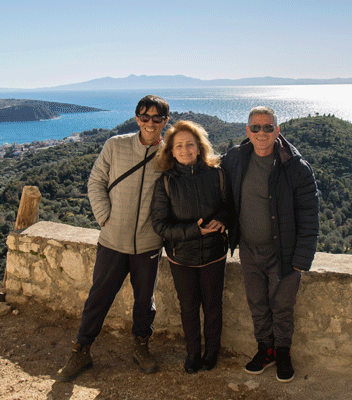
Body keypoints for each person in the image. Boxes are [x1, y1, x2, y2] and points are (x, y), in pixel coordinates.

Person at [56, 95, 170, 381]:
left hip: (148, 243)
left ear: (165, 121)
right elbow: (96, 182)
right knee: (99, 298)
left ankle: (141, 346)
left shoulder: (169, 154)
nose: (150, 123)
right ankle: (81, 350)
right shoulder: (115, 145)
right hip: (112, 240)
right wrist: (104, 217)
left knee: (144, 302)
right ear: (137, 118)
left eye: (156, 118)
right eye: (144, 117)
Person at [221, 106, 319, 383]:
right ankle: (266, 350)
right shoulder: (236, 158)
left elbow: (309, 215)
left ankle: (283, 353)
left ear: (277, 131)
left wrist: (301, 260)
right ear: (247, 131)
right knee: (258, 304)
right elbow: (216, 184)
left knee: (282, 308)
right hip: (249, 250)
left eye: (267, 127)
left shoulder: (295, 167)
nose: (261, 133)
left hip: (284, 252)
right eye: (256, 127)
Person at [150, 120, 232, 374]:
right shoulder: (165, 183)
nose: (185, 150)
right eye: (179, 146)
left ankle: (212, 351)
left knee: (213, 307)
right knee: (188, 307)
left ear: (199, 147)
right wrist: (194, 231)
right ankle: (193, 352)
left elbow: (229, 208)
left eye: (190, 144)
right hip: (181, 257)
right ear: (171, 151)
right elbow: (160, 225)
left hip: (214, 254)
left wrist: (222, 220)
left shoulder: (217, 175)